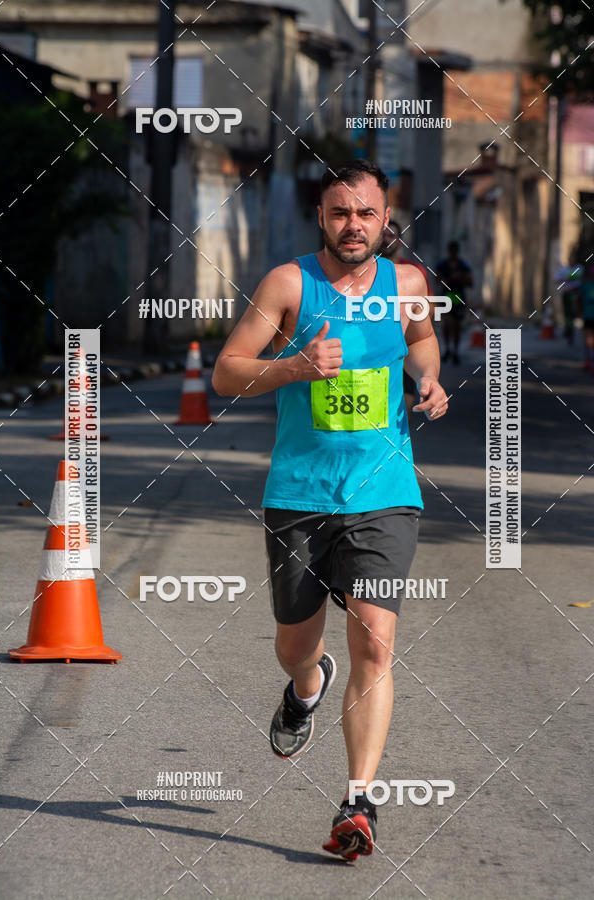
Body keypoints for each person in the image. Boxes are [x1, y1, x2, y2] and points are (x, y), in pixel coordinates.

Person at [212, 159, 448, 861]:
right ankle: (306, 685)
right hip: (300, 494)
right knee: (295, 644)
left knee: (376, 638)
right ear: (321, 216)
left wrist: (429, 380)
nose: (353, 225)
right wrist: (295, 366)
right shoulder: (289, 285)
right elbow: (226, 371)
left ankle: (359, 802)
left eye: (366, 213)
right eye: (341, 213)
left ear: (385, 219)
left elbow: (422, 341)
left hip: (384, 492)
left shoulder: (409, 285)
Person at [381, 219, 434, 417]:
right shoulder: (365, 270)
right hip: (376, 349)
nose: (387, 240)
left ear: (400, 241)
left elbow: (428, 307)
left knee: (404, 406)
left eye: (391, 236)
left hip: (404, 348)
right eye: (383, 235)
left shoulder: (413, 272)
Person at [435, 240, 473, 364]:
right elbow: (437, 279)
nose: (453, 253)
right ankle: (447, 349)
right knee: (446, 324)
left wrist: (460, 278)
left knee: (456, 326)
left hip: (458, 297)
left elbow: (470, 282)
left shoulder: (463, 265)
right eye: (451, 250)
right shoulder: (442, 265)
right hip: (446, 297)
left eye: (454, 250)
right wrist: (447, 280)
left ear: (457, 251)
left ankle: (455, 351)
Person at [578, 260, 594, 373]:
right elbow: (578, 299)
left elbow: (577, 299)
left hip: (587, 316)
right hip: (588, 316)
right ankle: (588, 361)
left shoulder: (586, 285)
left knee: (588, 340)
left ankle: (588, 361)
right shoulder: (586, 286)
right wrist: (579, 312)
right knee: (588, 340)